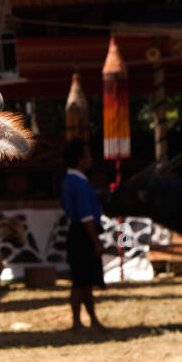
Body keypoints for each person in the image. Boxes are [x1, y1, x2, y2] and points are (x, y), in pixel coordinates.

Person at [61, 138, 106, 333]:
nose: (90, 159)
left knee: (85, 282)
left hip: (78, 232)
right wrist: (95, 241)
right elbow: (86, 217)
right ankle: (77, 323)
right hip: (83, 234)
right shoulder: (77, 183)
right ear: (79, 160)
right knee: (80, 282)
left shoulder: (71, 181)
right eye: (87, 155)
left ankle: (92, 320)